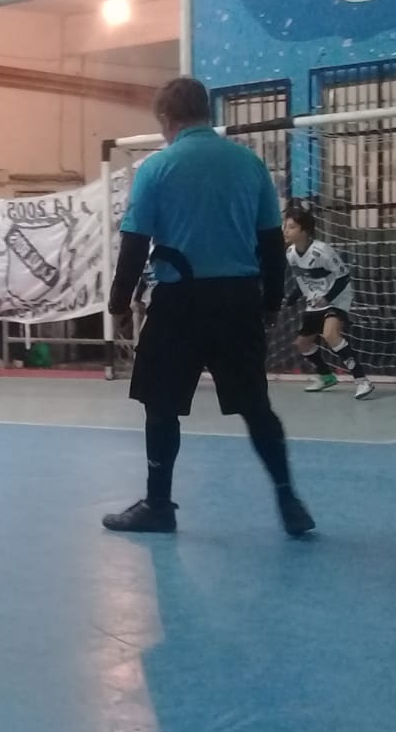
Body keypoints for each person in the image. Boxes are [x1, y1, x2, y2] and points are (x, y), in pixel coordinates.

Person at [104, 76, 314, 537]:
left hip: (179, 304)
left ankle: (159, 505)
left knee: (161, 406)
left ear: (167, 118)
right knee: (256, 406)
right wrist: (271, 301)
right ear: (207, 112)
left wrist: (118, 303)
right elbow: (271, 242)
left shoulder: (157, 168)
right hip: (238, 302)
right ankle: (288, 498)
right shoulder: (249, 165)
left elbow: (134, 244)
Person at [282, 199, 374, 400]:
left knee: (330, 334)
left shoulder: (322, 251)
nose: (285, 231)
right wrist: (292, 297)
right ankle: (326, 376)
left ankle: (362, 380)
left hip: (337, 297)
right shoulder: (291, 254)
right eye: (285, 226)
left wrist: (327, 298)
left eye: (291, 227)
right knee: (302, 344)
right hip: (315, 300)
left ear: (305, 230)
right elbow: (303, 278)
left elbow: (343, 277)